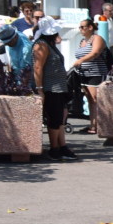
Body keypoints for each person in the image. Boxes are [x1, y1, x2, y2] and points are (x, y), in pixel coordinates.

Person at [32, 18, 76, 160]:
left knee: (59, 119)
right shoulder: (41, 45)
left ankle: (61, 146)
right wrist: (40, 89)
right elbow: (38, 67)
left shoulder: (50, 45)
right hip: (50, 88)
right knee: (54, 119)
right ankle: (54, 149)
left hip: (58, 87)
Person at [73, 17, 108, 135]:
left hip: (96, 73)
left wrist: (81, 60)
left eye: (83, 27)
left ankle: (98, 126)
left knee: (94, 99)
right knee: (89, 100)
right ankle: (92, 125)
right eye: (80, 27)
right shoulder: (82, 41)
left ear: (90, 27)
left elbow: (95, 53)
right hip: (84, 73)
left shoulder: (96, 38)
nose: (81, 29)